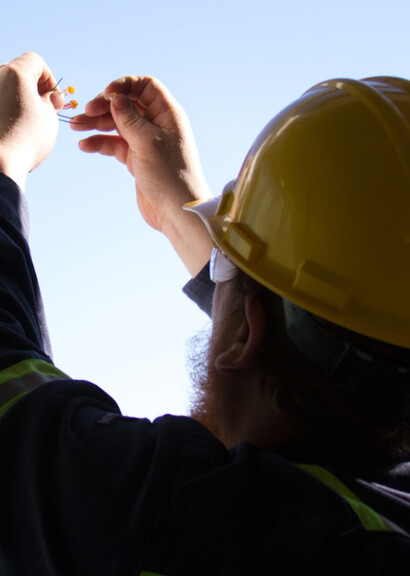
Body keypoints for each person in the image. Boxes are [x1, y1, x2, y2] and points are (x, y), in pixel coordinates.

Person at [0, 51, 409, 575]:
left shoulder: (185, 524)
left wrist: (4, 158)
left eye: (223, 268)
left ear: (247, 337)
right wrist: (179, 205)